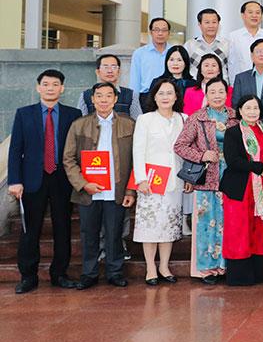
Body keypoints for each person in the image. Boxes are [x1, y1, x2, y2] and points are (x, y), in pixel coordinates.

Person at [7, 69, 82, 293]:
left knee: (63, 227)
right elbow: (15, 150)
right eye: (46, 84)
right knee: (31, 229)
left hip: (62, 179)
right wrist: (14, 180)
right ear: (38, 87)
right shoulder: (24, 114)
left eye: (55, 84)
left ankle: (59, 274)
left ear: (62, 88)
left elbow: (77, 150)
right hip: (32, 180)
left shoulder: (73, 114)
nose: (50, 88)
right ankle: (28, 276)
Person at [63, 82, 136, 289]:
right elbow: (68, 159)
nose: (103, 100)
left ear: (115, 99)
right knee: (89, 233)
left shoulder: (129, 124)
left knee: (114, 233)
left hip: (117, 190)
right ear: (92, 99)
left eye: (108, 96)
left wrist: (130, 190)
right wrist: (83, 184)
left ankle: (114, 272)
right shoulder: (79, 125)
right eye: (99, 96)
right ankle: (89, 273)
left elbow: (135, 160)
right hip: (88, 192)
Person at [174, 76, 237, 284]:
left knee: (228, 223)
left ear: (226, 94)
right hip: (207, 178)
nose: (217, 96)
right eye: (213, 92)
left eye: (221, 91)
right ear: (206, 95)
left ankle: (227, 265)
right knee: (206, 224)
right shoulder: (197, 118)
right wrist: (202, 155)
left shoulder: (236, 117)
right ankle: (207, 268)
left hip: (232, 177)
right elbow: (180, 146)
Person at [132, 79, 187, 286]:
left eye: (169, 93)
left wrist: (188, 177)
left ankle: (164, 266)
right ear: (154, 97)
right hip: (151, 181)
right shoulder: (145, 120)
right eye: (161, 93)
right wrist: (141, 179)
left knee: (169, 226)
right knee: (150, 226)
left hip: (175, 181)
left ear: (175, 97)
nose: (165, 97)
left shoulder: (183, 118)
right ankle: (150, 268)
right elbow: (138, 150)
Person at [221, 94, 263, 286]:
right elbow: (233, 161)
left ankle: (257, 273)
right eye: (248, 108)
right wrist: (256, 167)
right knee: (239, 230)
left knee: (257, 230)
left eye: (255, 108)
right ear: (240, 111)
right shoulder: (233, 132)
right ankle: (240, 276)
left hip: (261, 189)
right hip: (240, 189)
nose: (252, 112)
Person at [77, 54, 142, 120]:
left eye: (114, 67)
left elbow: (138, 121)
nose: (110, 71)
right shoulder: (86, 95)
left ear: (119, 71)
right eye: (106, 67)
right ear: (98, 72)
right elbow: (81, 122)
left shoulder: (130, 95)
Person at [143, 45, 195, 112]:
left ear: (185, 63)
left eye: (179, 60)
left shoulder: (193, 84)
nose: (175, 63)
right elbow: (150, 106)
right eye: (171, 59)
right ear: (166, 62)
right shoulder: (157, 82)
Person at [227, 1, 263, 82]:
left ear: (261, 16)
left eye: (258, 13)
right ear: (243, 15)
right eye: (250, 12)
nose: (254, 15)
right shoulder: (233, 37)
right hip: (240, 83)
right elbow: (229, 63)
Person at [184, 8, 230, 78]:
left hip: (221, 87)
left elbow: (232, 68)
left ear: (218, 24)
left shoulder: (227, 44)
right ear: (199, 24)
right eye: (207, 22)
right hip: (196, 86)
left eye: (214, 22)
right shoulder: (190, 45)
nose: (211, 26)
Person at [130, 17, 172, 94]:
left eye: (164, 30)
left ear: (169, 33)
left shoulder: (174, 52)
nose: (160, 33)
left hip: (170, 95)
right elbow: (134, 80)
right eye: (156, 30)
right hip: (147, 95)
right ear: (150, 32)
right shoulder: (140, 53)